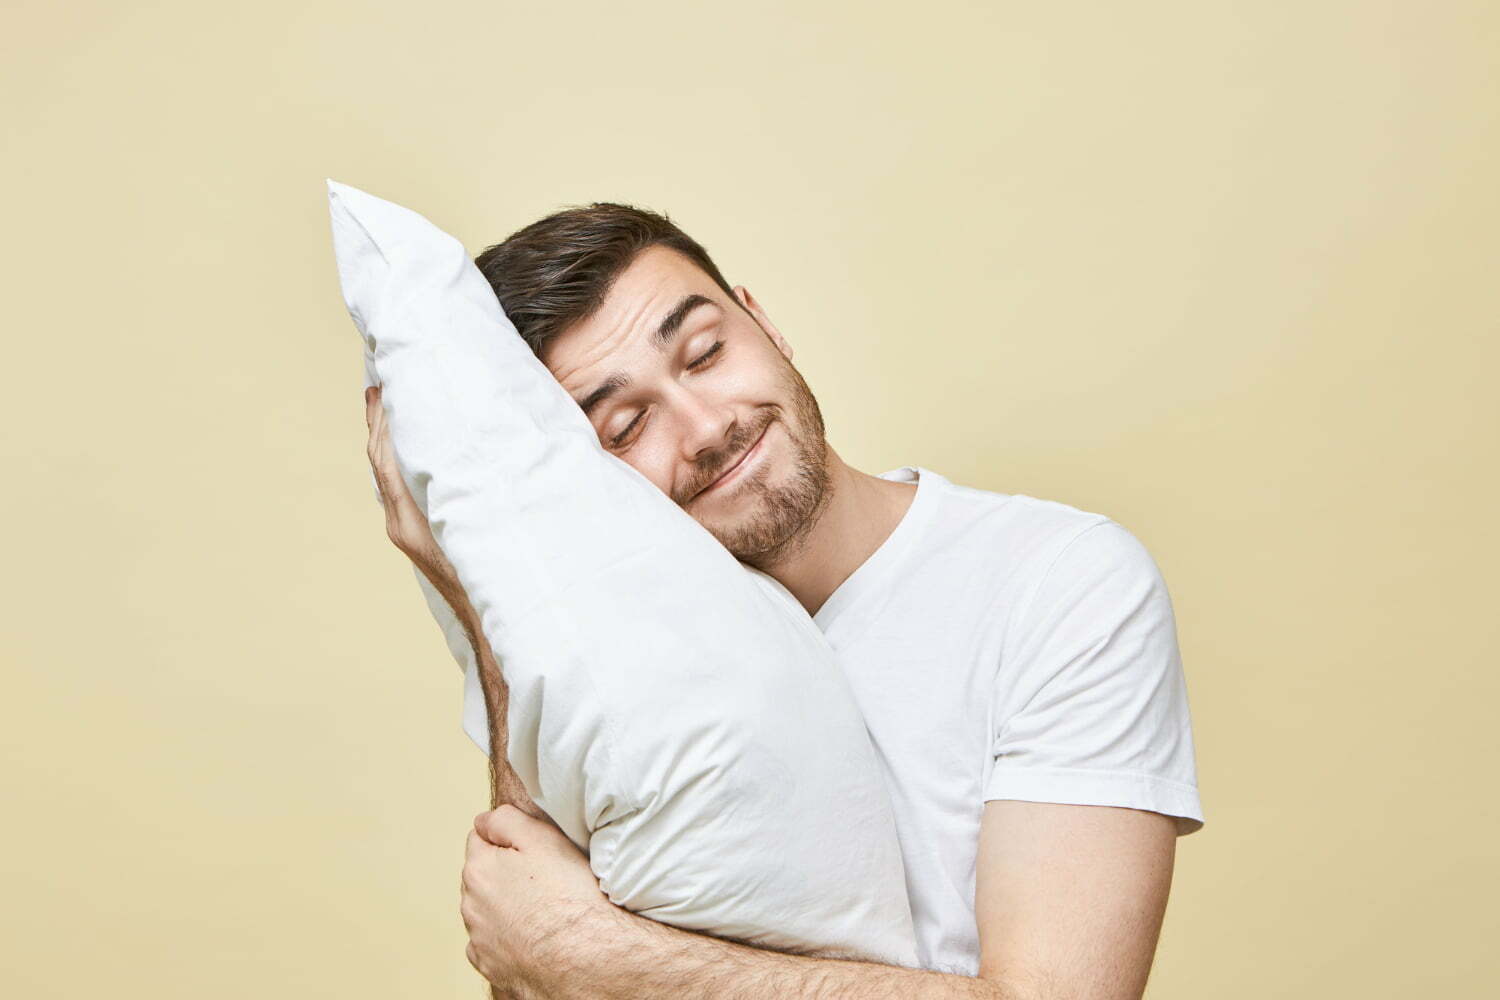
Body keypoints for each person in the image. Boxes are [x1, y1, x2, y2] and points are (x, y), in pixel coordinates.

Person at [361, 202, 1204, 999]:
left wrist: (594, 952)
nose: (706, 426)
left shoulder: (1058, 582)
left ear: (764, 324)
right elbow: (529, 964)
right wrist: (484, 602)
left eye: (705, 353)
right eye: (625, 427)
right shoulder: (619, 666)